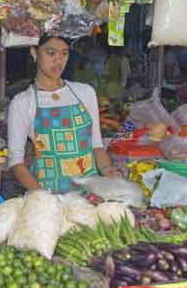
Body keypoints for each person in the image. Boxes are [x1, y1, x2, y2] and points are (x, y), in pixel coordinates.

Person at [7, 34, 120, 193]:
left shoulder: (85, 93)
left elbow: (96, 145)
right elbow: (16, 161)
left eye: (64, 53)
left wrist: (108, 171)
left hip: (89, 194)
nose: (59, 60)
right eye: (51, 53)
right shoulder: (22, 102)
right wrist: (43, 198)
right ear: (34, 52)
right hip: (48, 195)